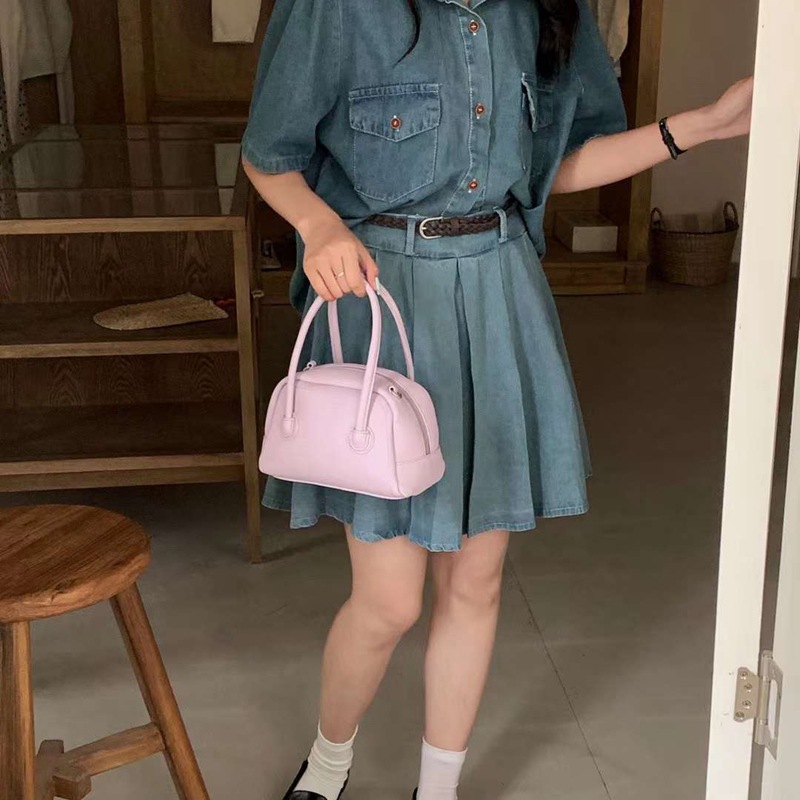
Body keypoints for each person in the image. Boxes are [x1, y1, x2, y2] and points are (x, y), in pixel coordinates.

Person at [242, 1, 753, 798]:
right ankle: (328, 765)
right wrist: (319, 226)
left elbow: (562, 164)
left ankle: (438, 790)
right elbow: (269, 154)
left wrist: (699, 126)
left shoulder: (547, 10)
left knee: (475, 585)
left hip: (498, 294)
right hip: (383, 297)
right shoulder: (339, 7)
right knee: (389, 601)